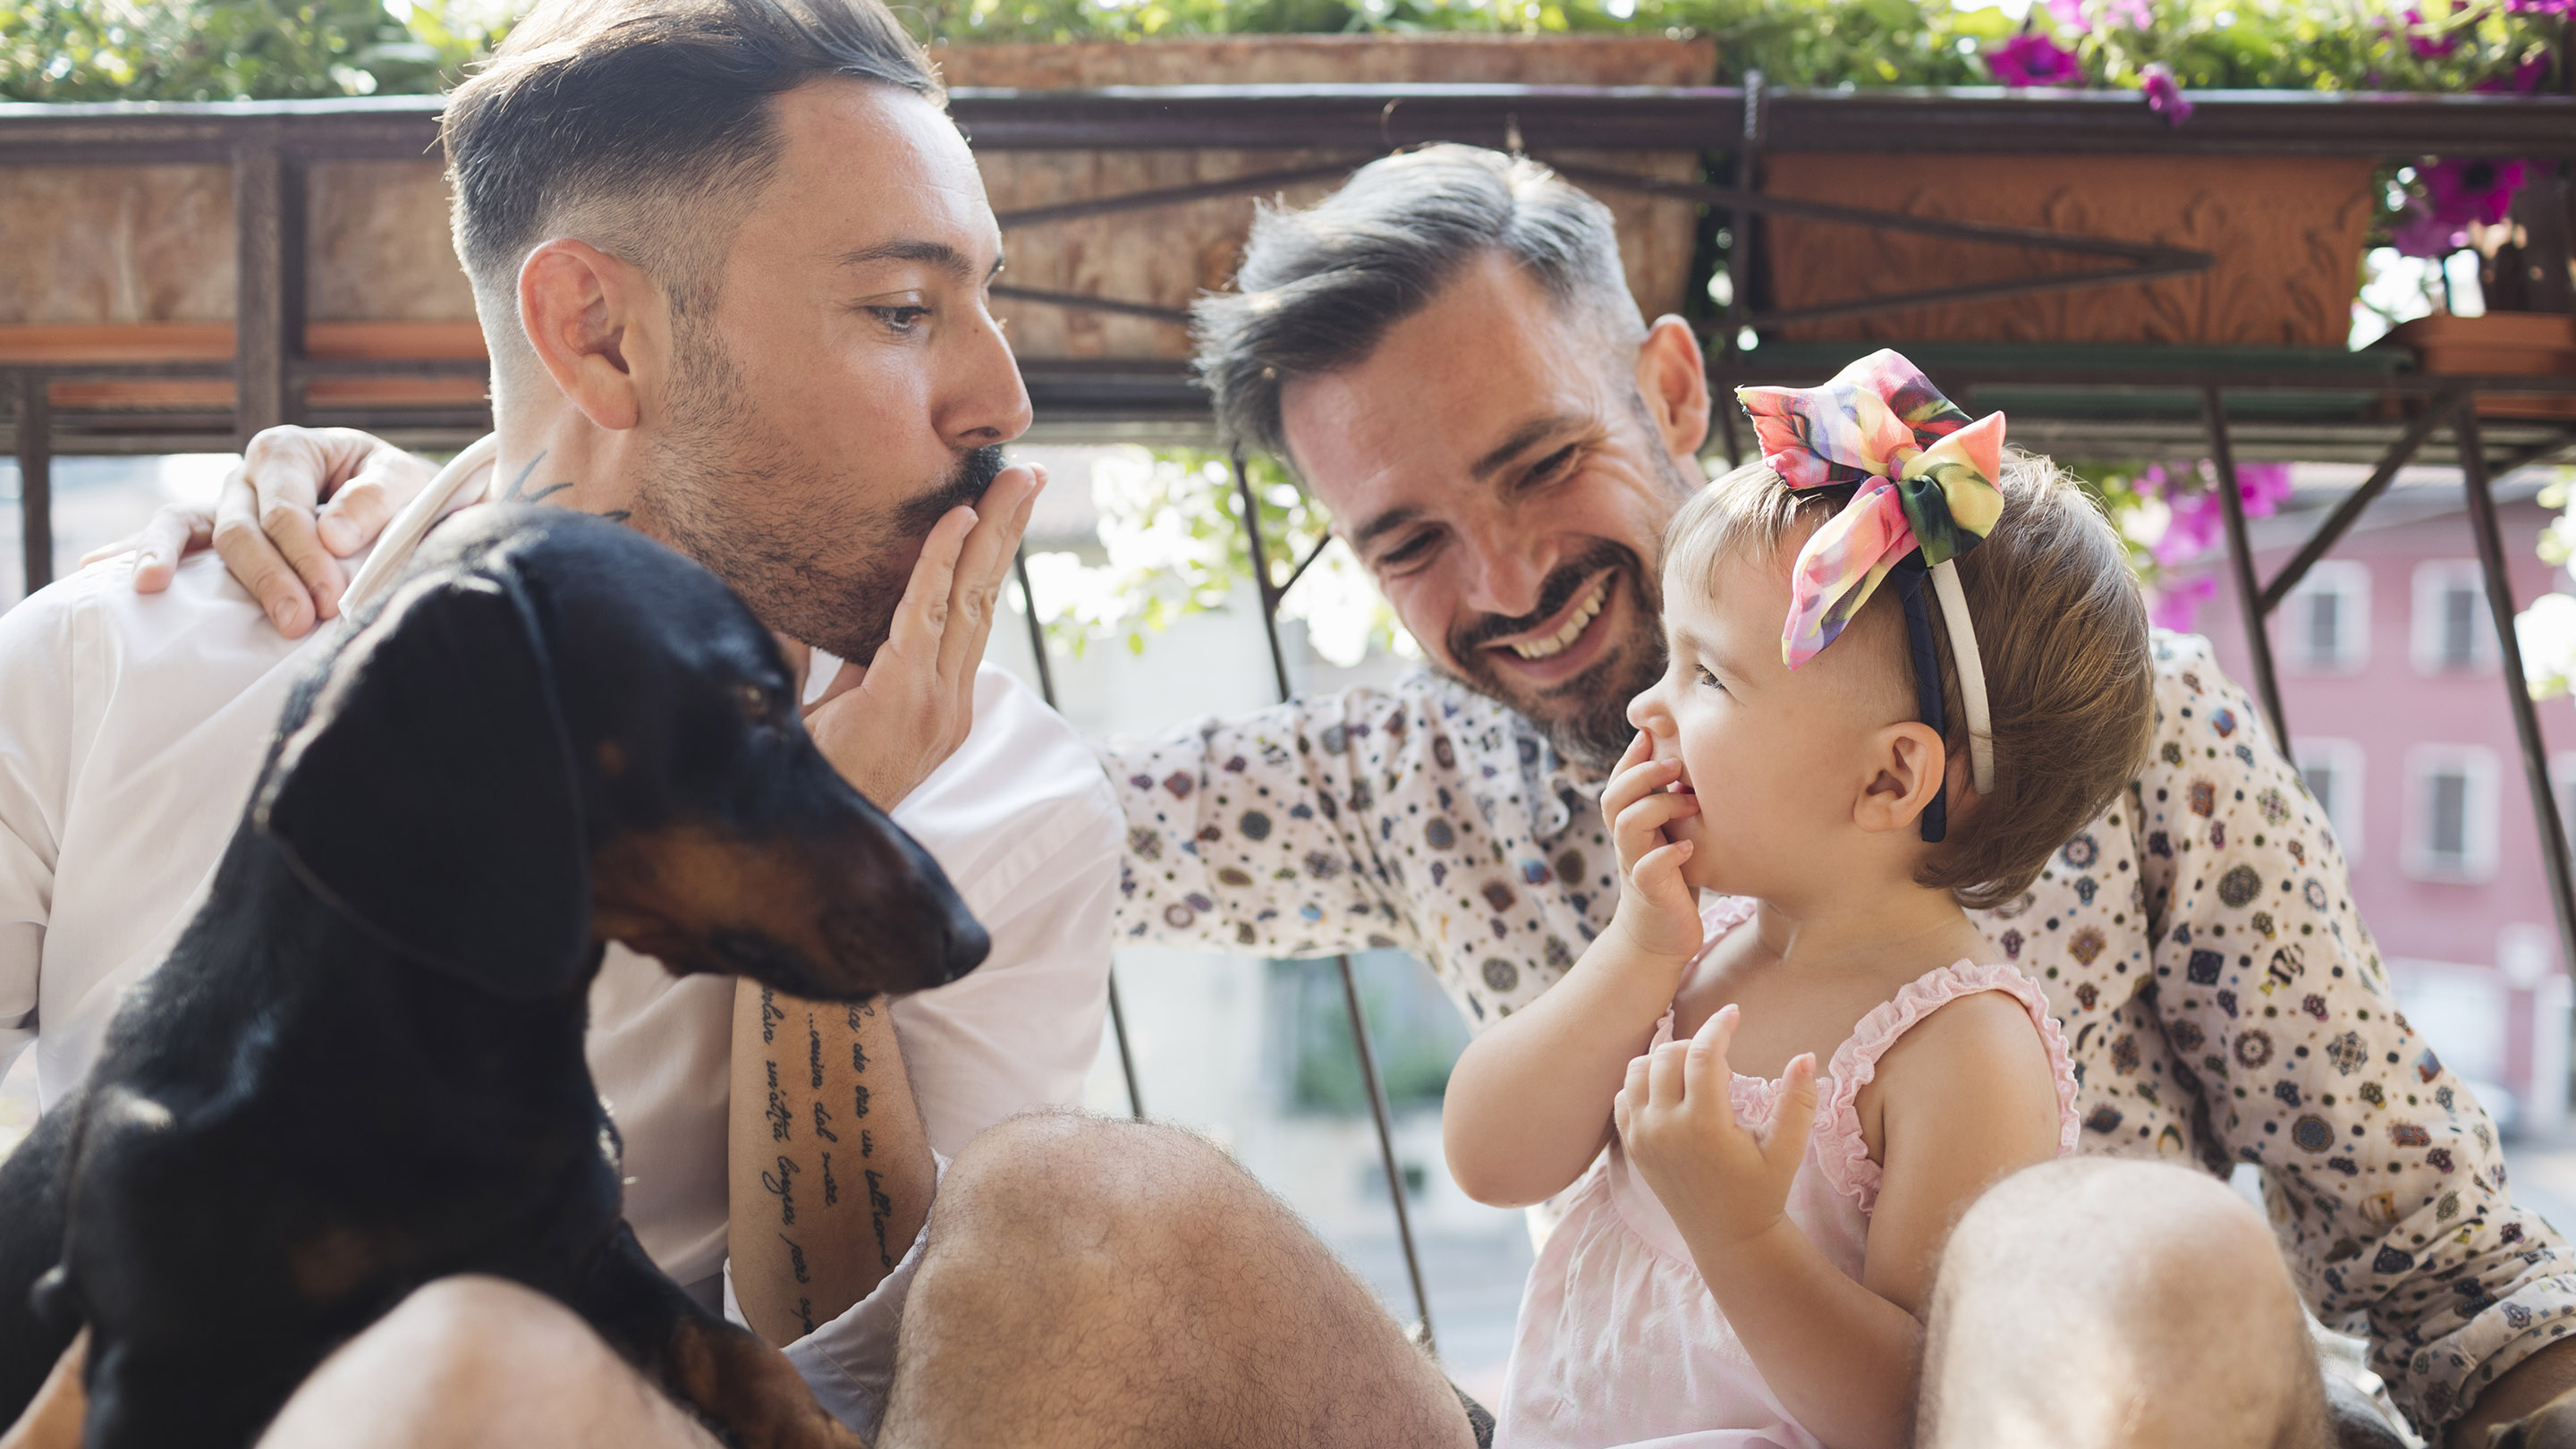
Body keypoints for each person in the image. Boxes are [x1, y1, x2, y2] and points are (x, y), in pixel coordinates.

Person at [135, 120, 2576, 1449]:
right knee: (1086, 1200)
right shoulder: (1412, 775)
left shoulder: (2128, 748)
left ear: (1670, 388)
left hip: (2080, 1405)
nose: (1508, 581)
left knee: (2112, 1237)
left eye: (1540, 467)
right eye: (1409, 539)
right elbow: (1013, 795)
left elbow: (2472, 1294)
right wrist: (471, 512)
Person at [0, 4, 1479, 1447]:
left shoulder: (1004, 802)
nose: (1001, 395)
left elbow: (891, 1384)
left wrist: (833, 862)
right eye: (903, 310)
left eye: (986, 301)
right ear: (601, 334)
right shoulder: (119, 660)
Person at [1447, 359, 2150, 1448]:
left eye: (1708, 678)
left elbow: (1923, 1416)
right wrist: (1637, 951)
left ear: (1888, 781)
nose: (1647, 704)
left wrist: (1741, 1239)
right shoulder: (1690, 944)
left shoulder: (1959, 1052)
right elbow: (1490, 1158)